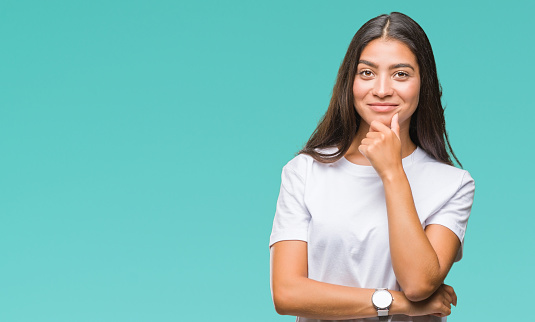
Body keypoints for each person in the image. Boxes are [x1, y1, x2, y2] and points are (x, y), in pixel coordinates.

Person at [269, 12, 476, 322]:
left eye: (401, 74)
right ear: (349, 80)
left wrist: (392, 172)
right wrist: (399, 304)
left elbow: (419, 283)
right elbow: (287, 294)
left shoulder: (453, 184)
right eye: (366, 73)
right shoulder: (304, 172)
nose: (381, 89)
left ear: (424, 83)